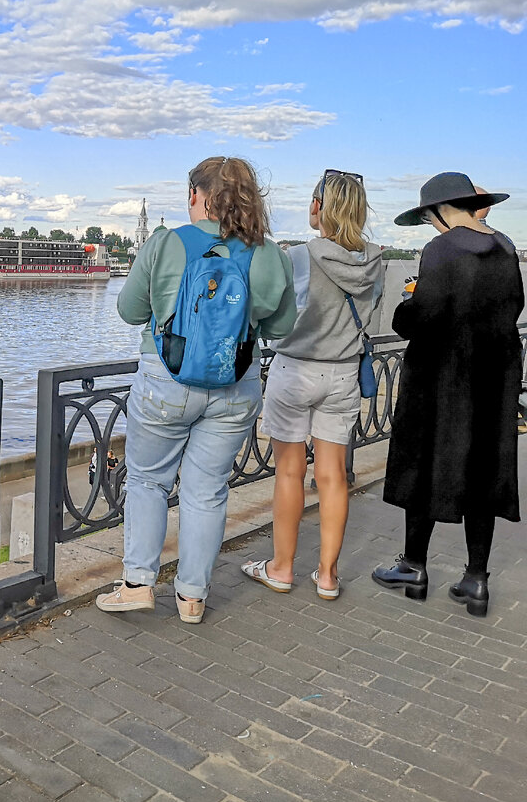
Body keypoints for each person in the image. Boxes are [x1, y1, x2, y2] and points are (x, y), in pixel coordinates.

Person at [98, 157, 296, 623]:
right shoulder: (268, 253)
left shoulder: (165, 243)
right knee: (206, 491)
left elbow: (129, 310)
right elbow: (282, 327)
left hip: (166, 378)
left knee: (148, 480)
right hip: (235, 383)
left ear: (195, 196)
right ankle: (192, 598)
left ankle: (137, 585)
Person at [373, 173, 520, 617]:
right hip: (493, 380)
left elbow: (422, 319)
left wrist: (405, 303)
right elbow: (512, 307)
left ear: (438, 210)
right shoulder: (506, 246)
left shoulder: (441, 250)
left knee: (423, 465)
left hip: (439, 381)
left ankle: (413, 566)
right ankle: (476, 579)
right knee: (484, 470)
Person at [241, 170, 383, 600]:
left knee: (288, 470)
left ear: (320, 207)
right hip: (343, 374)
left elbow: (277, 314)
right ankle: (327, 575)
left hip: (296, 369)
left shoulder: (299, 256)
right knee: (333, 476)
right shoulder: (375, 260)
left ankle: (282, 568)